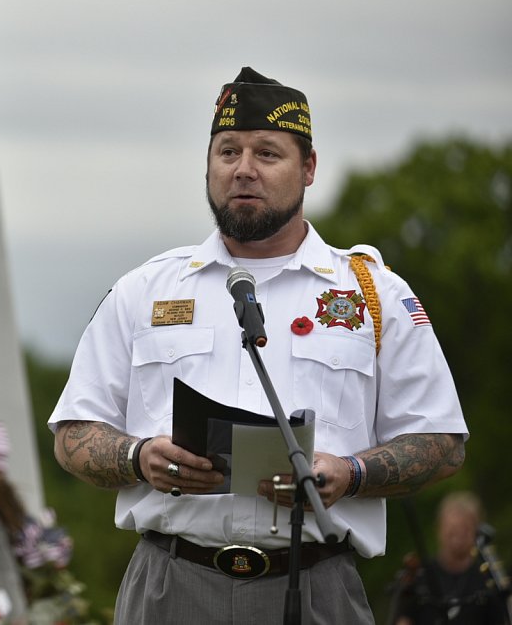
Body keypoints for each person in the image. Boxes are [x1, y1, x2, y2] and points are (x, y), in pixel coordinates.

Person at [47, 66, 468, 623]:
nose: (244, 170)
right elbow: (74, 434)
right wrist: (138, 457)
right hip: (171, 585)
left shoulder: (372, 293)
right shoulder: (144, 290)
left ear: (309, 167)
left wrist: (351, 474)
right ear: (208, 165)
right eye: (228, 152)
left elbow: (441, 442)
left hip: (316, 586)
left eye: (267, 154)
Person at [393, 492, 509, 624]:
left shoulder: (488, 577)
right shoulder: (421, 575)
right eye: (452, 531)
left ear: (477, 531)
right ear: (439, 529)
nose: (457, 539)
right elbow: (403, 620)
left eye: (465, 530)